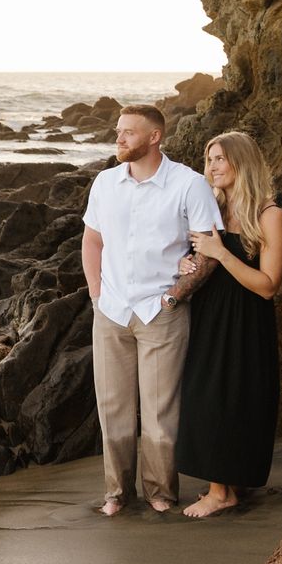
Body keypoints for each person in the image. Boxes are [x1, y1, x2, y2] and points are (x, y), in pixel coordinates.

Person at [80, 104, 223, 516]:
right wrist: (96, 294)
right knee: (113, 409)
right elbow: (92, 240)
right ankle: (116, 493)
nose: (119, 138)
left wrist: (175, 296)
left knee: (161, 411)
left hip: (162, 311)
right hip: (111, 310)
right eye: (118, 130)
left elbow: (209, 248)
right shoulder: (105, 183)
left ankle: (160, 492)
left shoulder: (188, 184)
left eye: (128, 132)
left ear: (155, 137)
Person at [176, 131, 282, 518]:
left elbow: (268, 286)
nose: (211, 167)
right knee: (204, 395)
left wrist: (221, 254)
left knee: (235, 398)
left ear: (242, 161)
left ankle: (222, 492)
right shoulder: (213, 211)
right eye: (209, 160)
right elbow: (197, 257)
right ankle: (223, 484)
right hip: (209, 314)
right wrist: (186, 263)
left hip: (245, 320)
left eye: (220, 158)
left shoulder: (270, 216)